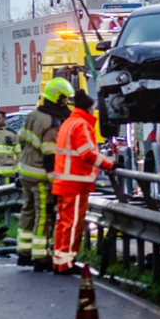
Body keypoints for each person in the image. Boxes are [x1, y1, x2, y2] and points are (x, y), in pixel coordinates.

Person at [51, 89, 115, 276]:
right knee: (73, 224)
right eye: (93, 107)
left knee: (63, 223)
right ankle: (67, 263)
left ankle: (59, 260)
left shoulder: (68, 123)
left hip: (64, 182)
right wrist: (108, 163)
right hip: (76, 184)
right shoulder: (82, 125)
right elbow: (87, 153)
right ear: (88, 107)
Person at [15, 78, 73, 271]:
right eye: (65, 98)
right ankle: (40, 257)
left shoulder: (33, 114)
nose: (67, 102)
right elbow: (50, 158)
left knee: (27, 211)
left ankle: (23, 253)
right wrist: (56, 183)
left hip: (25, 172)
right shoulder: (52, 123)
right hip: (40, 176)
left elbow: (21, 140)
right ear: (59, 98)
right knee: (43, 216)